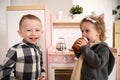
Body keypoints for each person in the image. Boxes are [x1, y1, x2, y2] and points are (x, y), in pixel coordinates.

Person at [0, 14, 46, 80]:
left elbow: (41, 65)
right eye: (28, 30)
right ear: (20, 33)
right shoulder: (15, 50)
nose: (33, 33)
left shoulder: (39, 50)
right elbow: (4, 69)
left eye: (37, 30)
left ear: (41, 32)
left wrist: (43, 75)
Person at [71, 15, 115, 80]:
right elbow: (83, 58)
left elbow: (98, 63)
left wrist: (84, 48)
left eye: (87, 31)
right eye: (82, 31)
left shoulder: (103, 48)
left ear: (98, 32)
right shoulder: (88, 46)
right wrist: (77, 50)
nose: (83, 34)